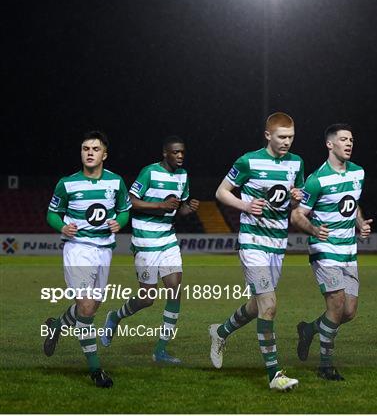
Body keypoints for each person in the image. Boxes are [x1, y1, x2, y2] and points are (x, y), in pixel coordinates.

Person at [208, 112, 304, 391]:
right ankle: (275, 375)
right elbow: (221, 192)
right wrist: (245, 206)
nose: (287, 142)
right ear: (268, 135)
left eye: (291, 137)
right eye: (282, 137)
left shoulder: (296, 163)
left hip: (278, 244)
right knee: (270, 305)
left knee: (257, 305)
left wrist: (296, 196)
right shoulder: (248, 161)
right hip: (252, 242)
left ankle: (220, 331)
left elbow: (290, 199)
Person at [43, 130, 131, 388]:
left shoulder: (115, 182)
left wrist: (119, 223)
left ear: (105, 154)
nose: (89, 152)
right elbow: (52, 214)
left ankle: (57, 325)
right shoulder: (67, 183)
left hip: (104, 250)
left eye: (94, 149)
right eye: (85, 148)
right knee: (85, 308)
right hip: (77, 248)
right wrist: (62, 227)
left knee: (90, 308)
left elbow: (124, 211)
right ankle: (95, 369)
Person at [101, 136, 199, 364]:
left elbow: (177, 210)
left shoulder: (183, 176)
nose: (180, 156)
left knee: (175, 289)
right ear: (165, 153)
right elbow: (129, 201)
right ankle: (115, 317)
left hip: (168, 238)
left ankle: (161, 350)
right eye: (176, 152)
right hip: (145, 239)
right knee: (147, 298)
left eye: (183, 152)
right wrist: (159, 205)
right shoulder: (149, 172)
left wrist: (188, 208)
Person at [291, 123, 373, 381]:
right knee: (336, 306)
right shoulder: (316, 180)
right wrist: (314, 230)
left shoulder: (358, 172)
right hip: (324, 250)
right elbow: (297, 215)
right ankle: (325, 366)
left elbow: (354, 201)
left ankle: (309, 330)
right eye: (343, 140)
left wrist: (359, 223)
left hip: (349, 252)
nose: (349, 144)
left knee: (348, 312)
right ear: (330, 144)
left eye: (351, 139)